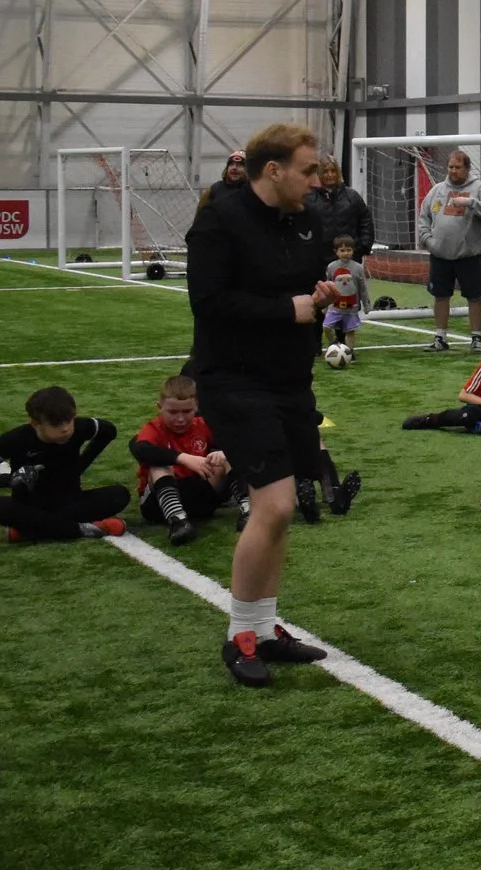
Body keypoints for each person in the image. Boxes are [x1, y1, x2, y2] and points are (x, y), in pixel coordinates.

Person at [185, 122, 336, 686]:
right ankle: (240, 635)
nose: (318, 179)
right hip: (232, 380)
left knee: (284, 508)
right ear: (272, 171)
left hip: (290, 380)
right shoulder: (219, 220)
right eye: (307, 169)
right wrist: (287, 310)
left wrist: (319, 300)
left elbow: (300, 293)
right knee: (272, 506)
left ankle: (265, 626)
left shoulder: (308, 221)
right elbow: (208, 301)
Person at [0, 385, 129, 543]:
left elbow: (109, 431)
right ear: (36, 423)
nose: (65, 429)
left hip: (71, 502)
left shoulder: (79, 428)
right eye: (56, 424)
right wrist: (8, 480)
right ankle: (82, 530)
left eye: (69, 420)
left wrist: (80, 465)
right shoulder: (17, 439)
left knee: (120, 494)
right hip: (31, 507)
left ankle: (31, 531)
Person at [130, 374, 230, 546]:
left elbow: (238, 442)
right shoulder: (154, 428)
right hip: (159, 505)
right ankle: (178, 521)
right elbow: (140, 449)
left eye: (186, 411)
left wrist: (224, 453)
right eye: (173, 412)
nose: (180, 418)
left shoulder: (202, 425)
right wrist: (183, 458)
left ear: (196, 407)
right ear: (160, 407)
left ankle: (247, 509)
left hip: (200, 497)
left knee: (225, 459)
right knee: (158, 466)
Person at [419, 148, 481, 354]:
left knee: (474, 296)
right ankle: (440, 337)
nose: (453, 171)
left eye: (457, 167)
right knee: (440, 296)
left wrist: (471, 203)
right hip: (440, 255)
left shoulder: (478, 187)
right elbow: (424, 216)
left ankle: (476, 338)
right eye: (450, 167)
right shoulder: (437, 190)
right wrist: (428, 240)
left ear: (467, 168)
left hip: (468, 256)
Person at [307, 156, 372, 259]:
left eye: (333, 171)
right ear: (319, 173)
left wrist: (363, 246)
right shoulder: (309, 199)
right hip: (319, 261)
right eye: (325, 171)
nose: (330, 175)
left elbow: (366, 220)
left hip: (349, 260)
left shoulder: (352, 196)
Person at [320, 235, 366, 352]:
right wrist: (324, 305)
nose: (346, 253)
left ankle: (349, 352)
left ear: (353, 250)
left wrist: (366, 304)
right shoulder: (331, 267)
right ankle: (333, 343)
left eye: (349, 250)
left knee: (350, 331)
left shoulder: (358, 268)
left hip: (351, 308)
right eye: (342, 250)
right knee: (326, 327)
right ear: (336, 252)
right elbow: (327, 286)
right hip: (334, 307)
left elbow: (363, 288)